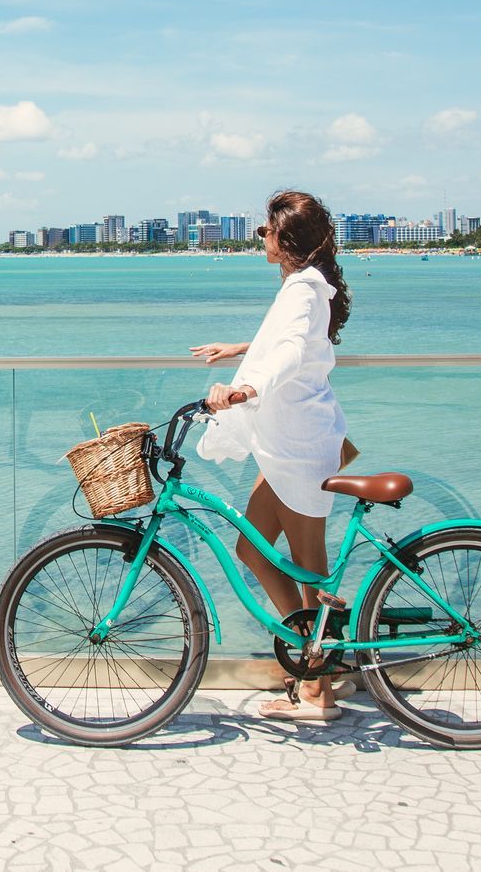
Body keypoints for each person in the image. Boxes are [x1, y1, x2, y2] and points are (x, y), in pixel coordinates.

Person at [188, 189, 352, 724]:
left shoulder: (305, 290)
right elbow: (291, 345)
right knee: (253, 550)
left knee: (310, 570)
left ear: (288, 241)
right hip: (285, 445)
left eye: (267, 231)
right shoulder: (301, 286)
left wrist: (243, 389)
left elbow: (287, 355)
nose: (261, 237)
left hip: (301, 447)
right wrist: (240, 350)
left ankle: (319, 689)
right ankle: (317, 654)